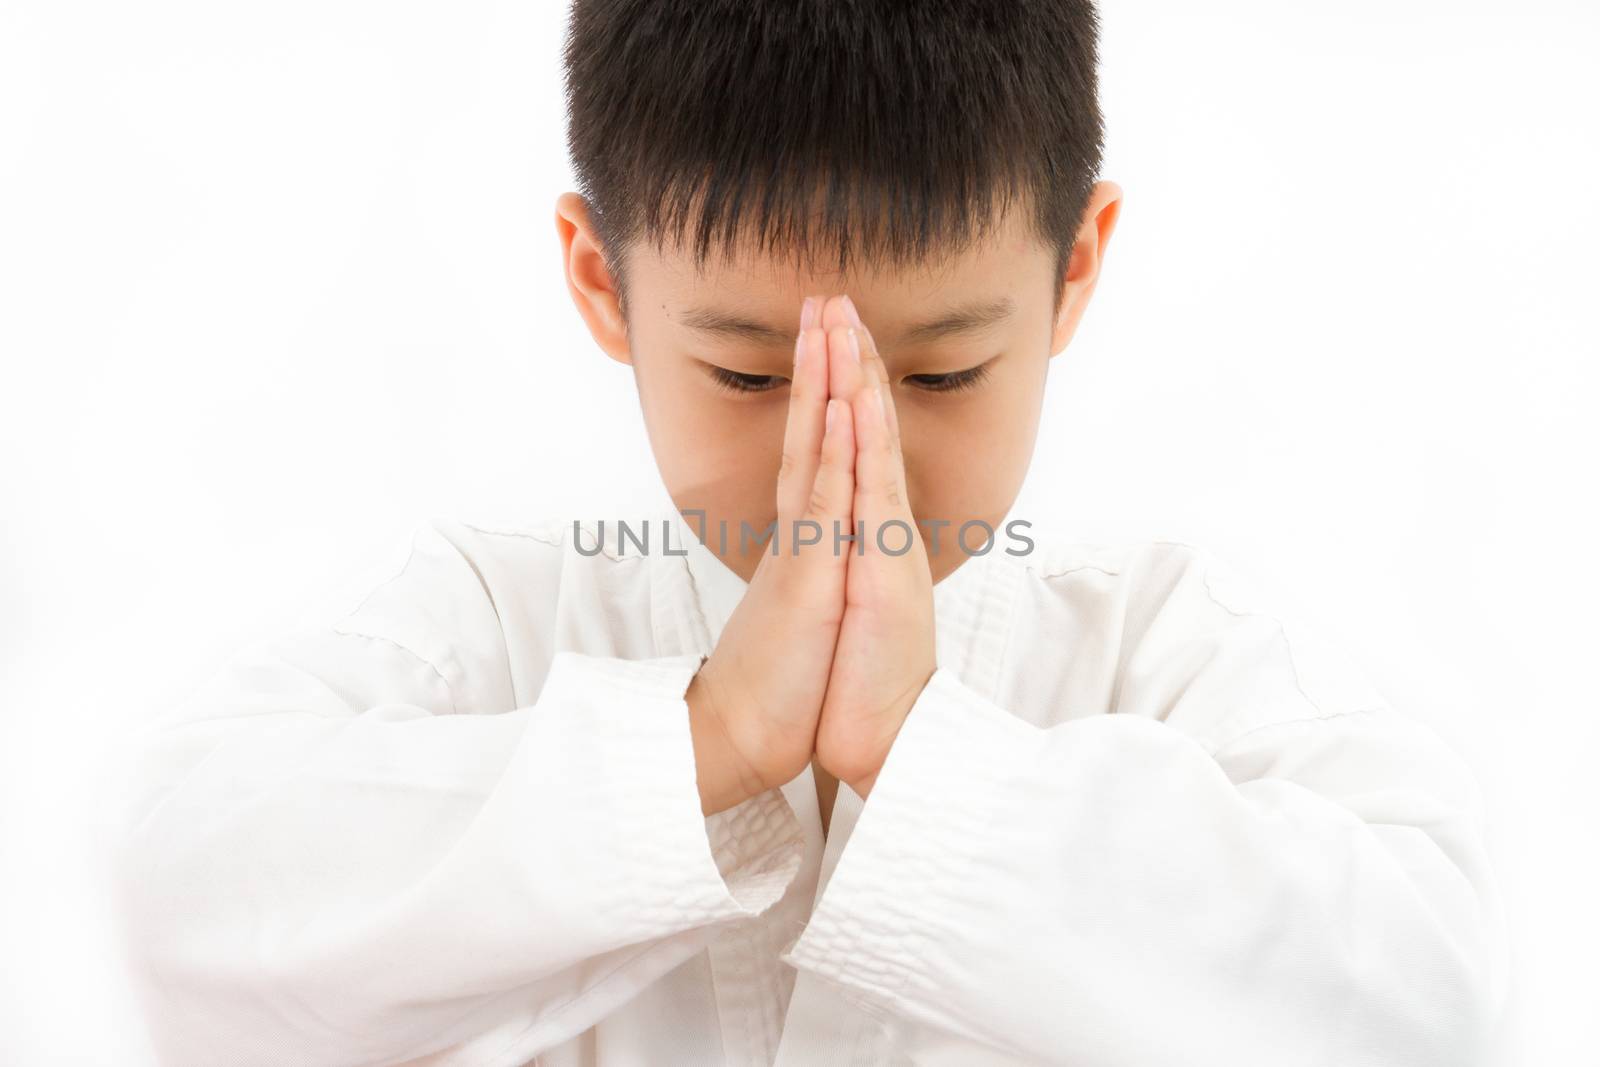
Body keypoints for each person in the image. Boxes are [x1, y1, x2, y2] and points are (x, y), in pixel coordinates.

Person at [96, 1, 1509, 1064]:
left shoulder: (1161, 646)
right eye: (753, 376)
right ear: (604, 282)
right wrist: (704, 745)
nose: (843, 458)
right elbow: (187, 899)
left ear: (1075, 268)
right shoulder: (498, 619)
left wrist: (918, 752)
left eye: (943, 374)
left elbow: (1421, 1003)